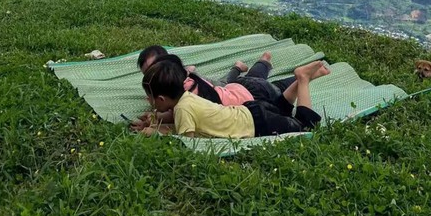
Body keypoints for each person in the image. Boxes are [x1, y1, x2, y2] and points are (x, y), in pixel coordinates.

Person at [139, 58, 329, 138]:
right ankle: (300, 79)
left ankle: (302, 79)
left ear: (162, 99)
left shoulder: (183, 109)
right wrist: (156, 121)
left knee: (304, 126)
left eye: (150, 99)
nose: (150, 103)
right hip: (249, 110)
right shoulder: (187, 98)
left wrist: (156, 132)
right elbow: (182, 123)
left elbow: (186, 140)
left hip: (255, 123)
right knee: (282, 109)